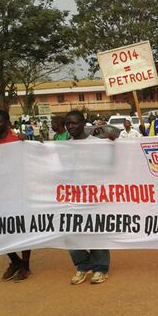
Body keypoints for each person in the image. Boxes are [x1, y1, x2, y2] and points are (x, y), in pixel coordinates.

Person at [0, 110, 33, 281]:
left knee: (23, 227)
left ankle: (25, 265)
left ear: (7, 122)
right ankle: (15, 260)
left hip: (19, 190)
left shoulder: (17, 141)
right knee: (0, 227)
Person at [64, 110, 111, 285]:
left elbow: (111, 162)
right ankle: (83, 265)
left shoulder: (96, 144)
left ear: (83, 123)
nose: (70, 127)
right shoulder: (64, 146)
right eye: (68, 124)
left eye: (74, 123)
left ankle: (100, 268)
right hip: (71, 196)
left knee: (96, 230)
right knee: (70, 232)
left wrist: (111, 141)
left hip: (94, 195)